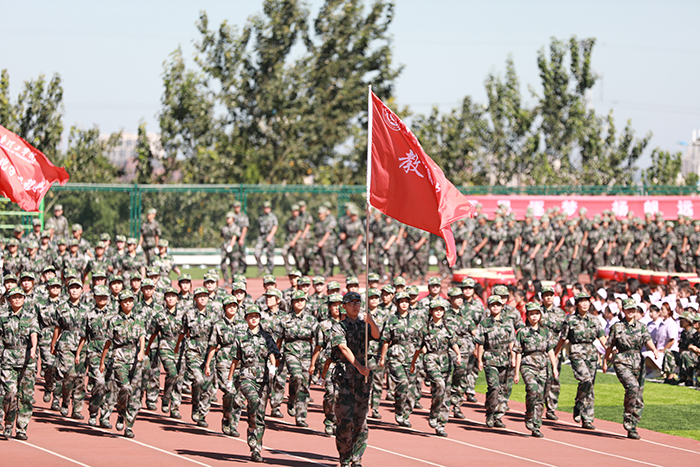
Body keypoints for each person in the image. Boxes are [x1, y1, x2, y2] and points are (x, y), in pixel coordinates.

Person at [329, 291, 380, 467]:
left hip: (362, 379)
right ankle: (344, 457)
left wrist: (371, 321)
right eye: (351, 303)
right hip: (345, 376)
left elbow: (377, 335)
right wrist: (358, 365)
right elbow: (343, 348)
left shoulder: (364, 324)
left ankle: (357, 457)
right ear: (344, 306)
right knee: (345, 421)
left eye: (358, 303)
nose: (355, 306)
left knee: (361, 421)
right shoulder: (338, 327)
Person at [225, 304, 280, 462]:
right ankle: (251, 426)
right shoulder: (240, 337)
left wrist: (272, 366)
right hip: (246, 376)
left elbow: (272, 353)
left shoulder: (266, 337)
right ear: (246, 319)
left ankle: (256, 448)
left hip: (263, 378)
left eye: (256, 316)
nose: (254, 319)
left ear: (260, 318)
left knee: (260, 415)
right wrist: (230, 380)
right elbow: (235, 360)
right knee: (253, 400)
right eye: (251, 316)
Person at [602, 298, 663, 439]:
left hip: (638, 362)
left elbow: (647, 340)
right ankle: (627, 416)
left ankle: (632, 426)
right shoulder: (617, 327)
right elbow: (610, 346)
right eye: (628, 309)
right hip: (622, 360)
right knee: (632, 387)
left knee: (639, 397)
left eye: (633, 309)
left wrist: (654, 350)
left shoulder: (642, 326)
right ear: (623, 310)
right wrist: (605, 361)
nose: (631, 311)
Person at [554, 292, 607, 430]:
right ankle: (578, 403)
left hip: (591, 353)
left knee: (590, 386)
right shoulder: (570, 320)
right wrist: (555, 354)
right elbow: (562, 339)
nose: (584, 304)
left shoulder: (594, 320)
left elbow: (602, 337)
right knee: (586, 380)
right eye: (581, 301)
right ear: (577, 304)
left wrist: (609, 351)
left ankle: (587, 418)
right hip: (576, 352)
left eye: (587, 301)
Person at [99, 289, 146, 438]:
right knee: (125, 388)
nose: (128, 304)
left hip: (135, 358)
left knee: (135, 395)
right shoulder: (114, 320)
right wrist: (102, 360)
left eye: (130, 301)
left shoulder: (138, 319)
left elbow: (142, 336)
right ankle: (121, 410)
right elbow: (108, 342)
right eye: (125, 301)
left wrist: (141, 351)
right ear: (120, 303)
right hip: (119, 357)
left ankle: (128, 425)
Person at [411, 299, 461, 437]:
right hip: (431, 358)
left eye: (441, 310)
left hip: (445, 360)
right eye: (436, 310)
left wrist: (458, 354)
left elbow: (453, 342)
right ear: (431, 311)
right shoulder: (425, 329)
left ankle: (441, 424)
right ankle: (434, 413)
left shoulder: (448, 328)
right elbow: (418, 348)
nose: (438, 312)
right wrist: (413, 363)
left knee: (446, 393)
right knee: (440, 384)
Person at [513, 302, 558, 438]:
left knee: (540, 397)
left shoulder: (546, 332)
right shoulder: (523, 333)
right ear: (527, 316)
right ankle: (529, 414)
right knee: (532, 390)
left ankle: (536, 425)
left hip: (543, 366)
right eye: (531, 314)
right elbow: (518, 352)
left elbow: (550, 350)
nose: (534, 316)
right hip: (528, 365)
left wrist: (554, 367)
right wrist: (516, 372)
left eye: (537, 313)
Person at [0, 287, 39, 440]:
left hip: (26, 360)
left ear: (24, 299)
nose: (17, 299)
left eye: (19, 297)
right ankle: (9, 423)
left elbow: (34, 333)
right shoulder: (3, 317)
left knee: (26, 397)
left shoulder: (30, 316)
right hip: (8, 359)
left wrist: (34, 348)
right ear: (9, 300)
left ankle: (22, 428)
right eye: (14, 297)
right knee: (9, 393)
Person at [276, 290, 318, 427]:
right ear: (292, 303)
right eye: (297, 300)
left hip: (306, 354)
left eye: (302, 300)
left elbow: (317, 341)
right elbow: (279, 339)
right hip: (291, 352)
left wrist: (314, 362)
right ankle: (292, 399)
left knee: (305, 385)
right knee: (297, 376)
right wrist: (277, 357)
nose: (299, 303)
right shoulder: (285, 319)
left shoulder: (311, 320)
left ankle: (301, 416)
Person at [50, 278, 90, 420]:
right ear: (67, 290)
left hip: (82, 345)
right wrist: (53, 343)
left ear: (81, 290)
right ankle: (65, 401)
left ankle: (77, 409)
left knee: (79, 378)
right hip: (66, 344)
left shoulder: (87, 309)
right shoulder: (61, 308)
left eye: (77, 288)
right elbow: (57, 327)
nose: (74, 290)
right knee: (69, 374)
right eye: (71, 288)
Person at [145, 287, 186, 419]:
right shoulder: (159, 315)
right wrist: (147, 348)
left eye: (173, 296)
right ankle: (166, 396)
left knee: (179, 378)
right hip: (165, 345)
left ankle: (174, 407)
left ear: (177, 299)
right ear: (164, 299)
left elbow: (188, 331)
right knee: (172, 373)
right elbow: (153, 333)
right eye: (168, 296)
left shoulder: (183, 315)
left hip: (180, 347)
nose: (171, 299)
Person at [475, 295, 515, 428]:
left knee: (503, 389)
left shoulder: (508, 322)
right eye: (493, 305)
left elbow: (511, 342)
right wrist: (480, 360)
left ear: (502, 306)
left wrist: (513, 357)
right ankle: (490, 413)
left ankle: (498, 416)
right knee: (494, 387)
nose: (495, 307)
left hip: (505, 358)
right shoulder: (484, 323)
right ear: (489, 307)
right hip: (490, 358)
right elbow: (480, 343)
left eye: (498, 305)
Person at [310, 293, 344, 435]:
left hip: (345, 363)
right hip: (328, 363)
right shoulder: (323, 325)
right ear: (329, 307)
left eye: (339, 305)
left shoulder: (348, 324)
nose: (337, 308)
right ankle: (330, 420)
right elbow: (318, 346)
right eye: (334, 305)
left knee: (342, 395)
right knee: (331, 393)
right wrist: (313, 364)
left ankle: (340, 422)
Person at [254, 201, 278, 276]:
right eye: (265, 207)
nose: (266, 209)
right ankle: (261, 267)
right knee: (256, 253)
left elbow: (275, 226)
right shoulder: (261, 217)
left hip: (270, 236)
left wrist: (270, 236)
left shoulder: (273, 217)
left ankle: (269, 272)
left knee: (270, 255)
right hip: (262, 236)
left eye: (268, 207)